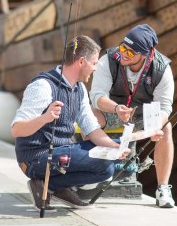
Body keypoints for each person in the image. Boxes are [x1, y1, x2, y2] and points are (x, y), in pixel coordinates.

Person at [11, 35, 141, 212]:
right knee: (104, 164)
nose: (95, 69)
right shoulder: (43, 86)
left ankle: (50, 186)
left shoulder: (79, 89)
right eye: (94, 63)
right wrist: (45, 118)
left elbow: (92, 129)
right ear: (81, 62)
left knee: (122, 161)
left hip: (62, 153)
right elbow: (16, 130)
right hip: (35, 157)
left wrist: (115, 147)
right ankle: (47, 182)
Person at [90, 24, 176, 208]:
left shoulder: (162, 69)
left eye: (130, 52)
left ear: (145, 54)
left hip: (142, 116)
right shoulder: (109, 60)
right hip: (111, 111)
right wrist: (116, 108)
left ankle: (162, 189)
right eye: (123, 47)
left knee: (166, 127)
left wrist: (155, 127)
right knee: (91, 116)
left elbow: (165, 107)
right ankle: (88, 176)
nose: (124, 53)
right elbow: (97, 96)